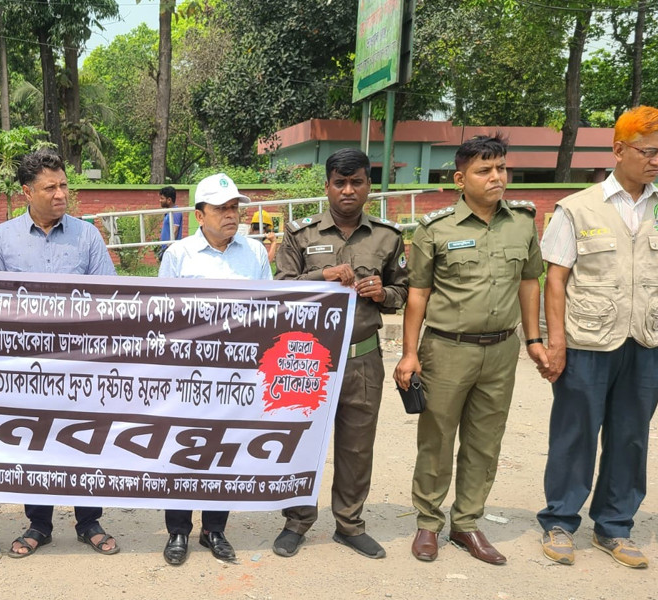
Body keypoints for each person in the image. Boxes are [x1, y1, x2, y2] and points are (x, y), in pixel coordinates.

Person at [394, 135, 546, 565]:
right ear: (461, 179)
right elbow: (418, 295)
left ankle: (467, 524)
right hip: (447, 349)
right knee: (437, 439)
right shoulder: (435, 229)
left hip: (501, 350)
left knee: (485, 442)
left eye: (501, 168)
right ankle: (427, 524)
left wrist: (533, 340)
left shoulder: (521, 222)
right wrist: (410, 354)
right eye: (484, 170)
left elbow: (529, 281)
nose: (496, 177)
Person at [536, 105, 658, 569]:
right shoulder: (578, 207)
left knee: (632, 437)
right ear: (619, 150)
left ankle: (614, 527)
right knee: (575, 433)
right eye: (647, 151)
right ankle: (561, 522)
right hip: (587, 342)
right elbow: (555, 279)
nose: (654, 160)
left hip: (646, 342)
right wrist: (556, 342)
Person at [0, 147, 120, 558]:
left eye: (64, 184)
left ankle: (89, 521)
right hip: (26, 367)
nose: (61, 193)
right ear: (27, 191)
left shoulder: (87, 235)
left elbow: (108, 299)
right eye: (50, 187)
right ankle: (39, 523)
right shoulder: (1, 239)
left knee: (83, 440)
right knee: (35, 441)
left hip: (80, 362)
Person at [273, 148, 408, 559]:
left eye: (357, 182)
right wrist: (323, 276)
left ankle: (349, 524)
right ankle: (296, 520)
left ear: (369, 185)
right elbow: (281, 292)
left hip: (362, 358)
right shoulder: (301, 234)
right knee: (301, 442)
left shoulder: (388, 236)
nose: (348, 190)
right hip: (307, 358)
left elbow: (405, 290)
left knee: (356, 445)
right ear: (328, 185)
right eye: (339, 182)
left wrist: (383, 293)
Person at [156, 172, 271, 565]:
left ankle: (214, 530)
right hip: (189, 374)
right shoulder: (178, 255)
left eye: (235, 207)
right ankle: (177, 532)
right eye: (221, 208)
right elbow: (164, 314)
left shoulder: (254, 254)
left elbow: (269, 310)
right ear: (199, 214)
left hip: (236, 376)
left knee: (225, 450)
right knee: (182, 451)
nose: (231, 215)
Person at [156, 185, 183, 261]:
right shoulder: (169, 212)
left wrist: (167, 247)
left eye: (162, 198)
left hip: (171, 250)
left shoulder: (176, 211)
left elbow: (175, 230)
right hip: (167, 249)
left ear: (169, 200)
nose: (160, 200)